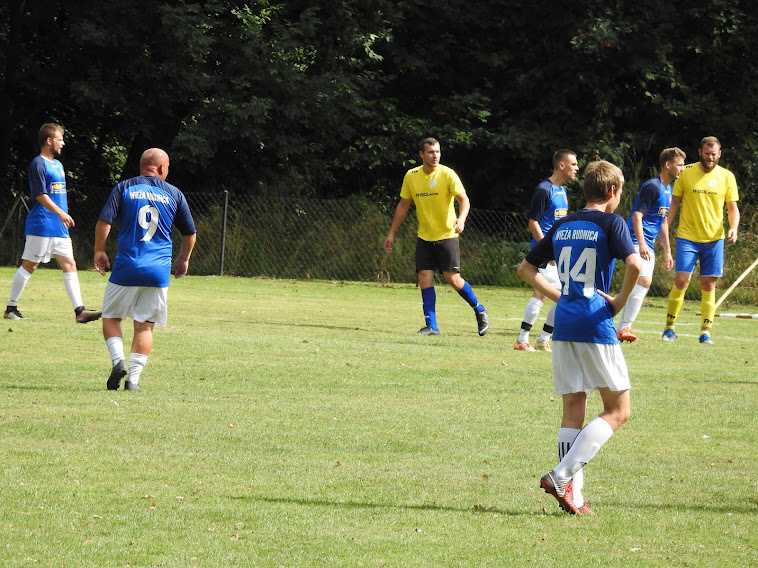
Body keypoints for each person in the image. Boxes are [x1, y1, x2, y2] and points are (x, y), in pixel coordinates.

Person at [517, 160, 641, 516]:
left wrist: (560, 298)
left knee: (573, 408)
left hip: (565, 324)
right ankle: (561, 475)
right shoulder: (611, 222)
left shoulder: (564, 223)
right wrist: (618, 301)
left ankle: (575, 496)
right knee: (619, 410)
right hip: (593, 324)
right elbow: (633, 265)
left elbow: (525, 269)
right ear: (613, 191)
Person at [94, 148, 196, 391]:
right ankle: (134, 381)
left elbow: (104, 221)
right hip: (157, 271)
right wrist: (183, 259)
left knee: (111, 317)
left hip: (127, 267)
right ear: (161, 168)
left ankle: (118, 359)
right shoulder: (174, 193)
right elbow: (189, 233)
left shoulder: (124, 187)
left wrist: (99, 250)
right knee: (145, 325)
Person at [384, 137, 488, 336]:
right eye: (431, 152)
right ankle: (432, 326)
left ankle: (480, 309)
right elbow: (403, 205)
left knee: (453, 279)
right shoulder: (411, 176)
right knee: (424, 277)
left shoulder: (448, 174)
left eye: (438, 152)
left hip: (447, 235)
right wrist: (391, 234)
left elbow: (464, 200)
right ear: (422, 155)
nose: (435, 156)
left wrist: (461, 219)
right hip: (424, 236)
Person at [4, 123, 101, 323]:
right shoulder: (38, 164)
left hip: (59, 227)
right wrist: (60, 213)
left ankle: (79, 311)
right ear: (49, 141)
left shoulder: (58, 165)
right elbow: (40, 195)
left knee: (70, 264)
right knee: (30, 266)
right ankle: (11, 309)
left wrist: (61, 216)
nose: (63, 143)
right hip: (42, 225)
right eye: (60, 139)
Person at [661, 137, 740, 345]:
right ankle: (669, 328)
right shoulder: (685, 173)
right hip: (688, 237)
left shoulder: (727, 176)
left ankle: (705, 332)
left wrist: (733, 228)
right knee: (682, 280)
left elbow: (732, 208)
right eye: (707, 153)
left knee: (708, 284)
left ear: (719, 154)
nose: (710, 157)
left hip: (714, 239)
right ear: (700, 152)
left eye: (714, 154)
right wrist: (665, 229)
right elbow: (674, 203)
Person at [616, 147, 685, 341]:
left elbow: (662, 220)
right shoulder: (652, 186)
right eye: (679, 165)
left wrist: (668, 251)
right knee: (644, 280)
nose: (682, 169)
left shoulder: (668, 188)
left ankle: (623, 328)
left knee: (640, 282)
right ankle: (624, 327)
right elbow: (637, 216)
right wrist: (641, 243)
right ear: (668, 165)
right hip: (634, 238)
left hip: (647, 242)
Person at [514, 149, 578, 352]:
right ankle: (532, 339)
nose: (577, 168)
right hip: (545, 256)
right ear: (562, 165)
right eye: (574, 164)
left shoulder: (562, 192)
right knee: (563, 295)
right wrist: (546, 250)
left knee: (541, 296)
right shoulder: (544, 189)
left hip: (557, 254)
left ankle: (532, 340)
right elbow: (533, 222)